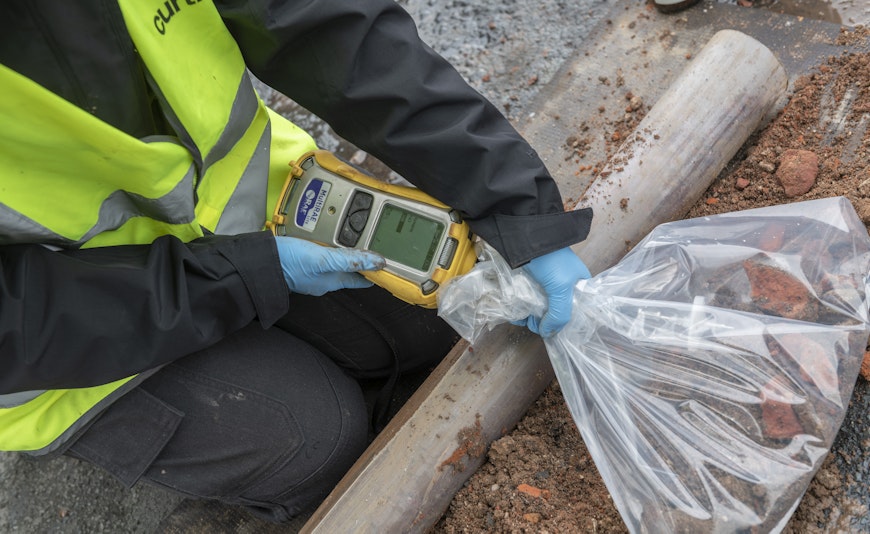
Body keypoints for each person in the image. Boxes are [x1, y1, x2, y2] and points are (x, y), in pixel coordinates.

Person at [0, 0, 593, 523]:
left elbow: (332, 27)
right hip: (74, 343)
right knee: (316, 439)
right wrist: (247, 277)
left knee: (433, 328)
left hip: (262, 210)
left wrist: (518, 209)